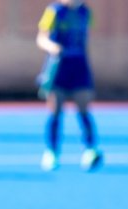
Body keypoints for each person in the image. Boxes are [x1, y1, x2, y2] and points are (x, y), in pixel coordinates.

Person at [36, 0, 103, 172]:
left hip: (79, 66)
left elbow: (85, 41)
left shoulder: (85, 12)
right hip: (59, 65)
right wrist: (53, 47)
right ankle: (51, 152)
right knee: (56, 109)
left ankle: (90, 149)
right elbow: (41, 38)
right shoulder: (54, 11)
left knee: (84, 109)